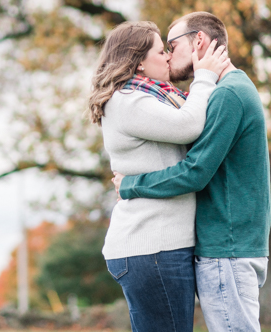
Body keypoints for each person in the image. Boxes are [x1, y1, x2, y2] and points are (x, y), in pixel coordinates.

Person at [113, 12, 271, 332]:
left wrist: (132, 184)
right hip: (231, 247)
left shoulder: (228, 94)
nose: (169, 56)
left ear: (199, 40)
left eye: (173, 45)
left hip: (227, 249)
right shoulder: (231, 89)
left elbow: (195, 171)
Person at [88, 20, 230, 332]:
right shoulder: (128, 101)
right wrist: (204, 76)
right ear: (138, 61)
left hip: (158, 248)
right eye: (160, 50)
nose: (167, 56)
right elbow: (188, 125)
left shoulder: (151, 96)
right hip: (151, 248)